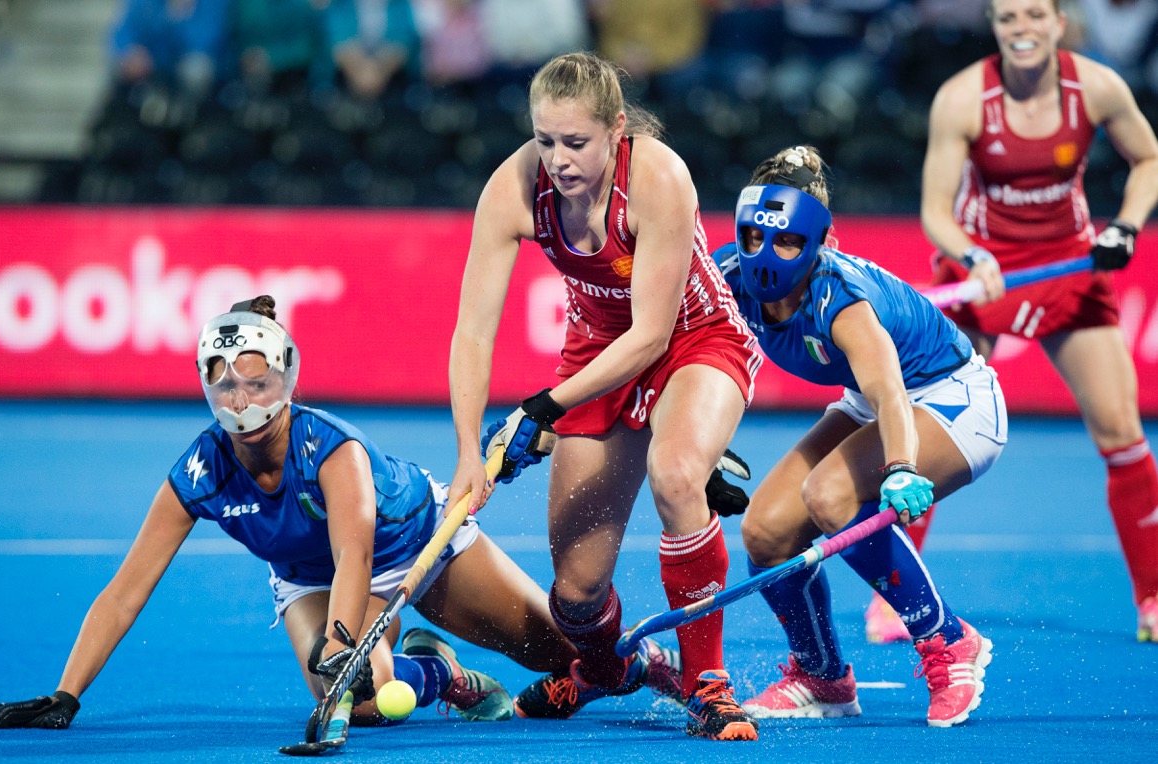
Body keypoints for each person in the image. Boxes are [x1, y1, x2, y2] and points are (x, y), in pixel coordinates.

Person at [0, 295, 590, 731]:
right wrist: (66, 694)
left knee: (564, 655)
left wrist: (341, 643)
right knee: (362, 702)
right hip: (308, 577)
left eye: (256, 381)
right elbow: (124, 592)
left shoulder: (332, 450)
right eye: (225, 385)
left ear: (286, 379)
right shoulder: (200, 471)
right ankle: (441, 672)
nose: (241, 399)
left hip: (412, 539)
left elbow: (356, 554)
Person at [446, 51, 764, 741]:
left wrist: (543, 409)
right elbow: (473, 330)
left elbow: (652, 337)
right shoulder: (512, 189)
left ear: (617, 129)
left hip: (693, 338)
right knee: (576, 594)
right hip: (595, 354)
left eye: (576, 142)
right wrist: (469, 450)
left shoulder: (658, 177)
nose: (558, 160)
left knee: (675, 475)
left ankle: (707, 683)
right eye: (545, 140)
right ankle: (607, 668)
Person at [718, 146, 1002, 728]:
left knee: (829, 494)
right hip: (866, 400)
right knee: (766, 532)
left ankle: (948, 640)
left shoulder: (840, 299)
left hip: (951, 397)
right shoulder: (726, 278)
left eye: (788, 241)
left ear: (820, 241)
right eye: (754, 237)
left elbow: (891, 393)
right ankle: (822, 677)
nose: (766, 255)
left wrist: (900, 468)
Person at [920, 0, 1158, 642]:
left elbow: (1149, 159)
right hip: (984, 267)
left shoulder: (1098, 87)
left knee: (1122, 433)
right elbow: (935, 211)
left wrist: (1126, 226)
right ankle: (898, 600)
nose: (1020, 29)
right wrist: (973, 256)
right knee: (930, 434)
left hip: (1068, 267)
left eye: (1033, 16)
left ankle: (1153, 599)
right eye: (1007, 18)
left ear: (1059, 23)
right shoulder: (961, 98)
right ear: (994, 27)